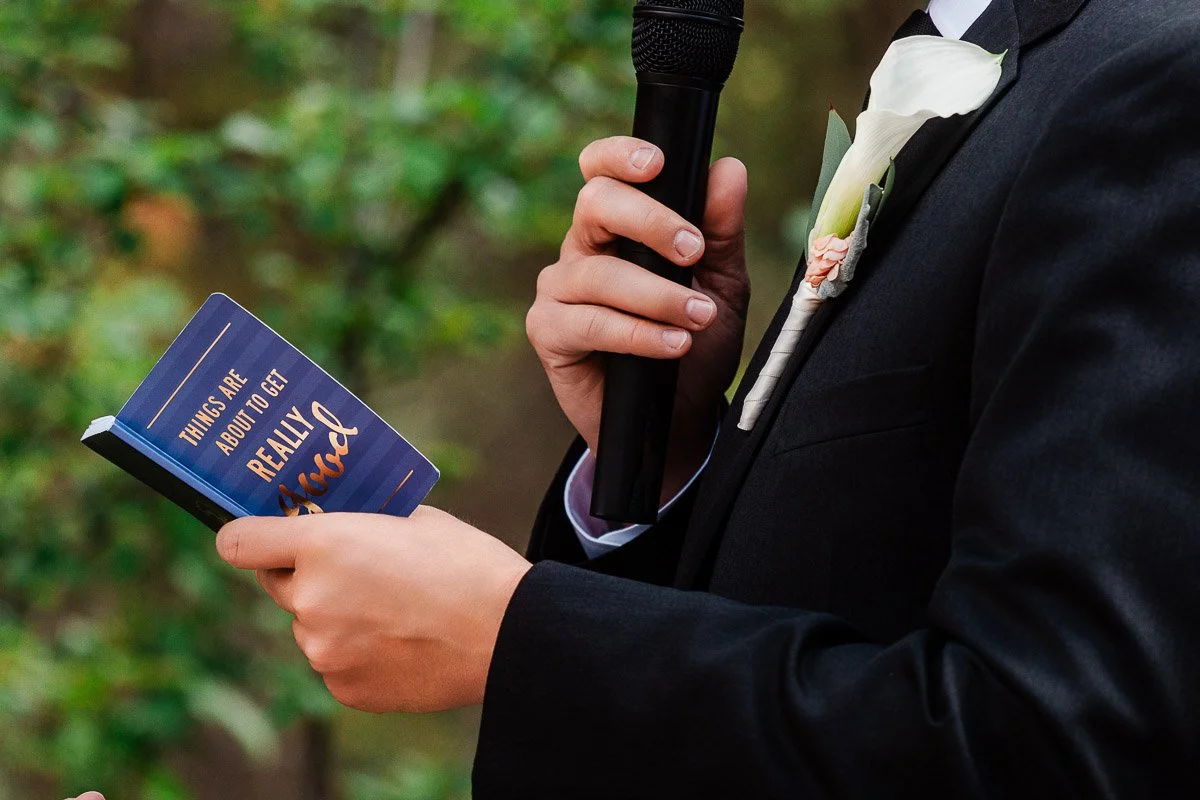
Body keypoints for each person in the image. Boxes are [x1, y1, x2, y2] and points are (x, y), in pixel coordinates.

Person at [73, 0, 1200, 796]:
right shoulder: (976, 58)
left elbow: (1063, 744)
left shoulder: (1155, 75)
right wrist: (663, 457)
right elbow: (864, 586)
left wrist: (518, 636)